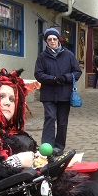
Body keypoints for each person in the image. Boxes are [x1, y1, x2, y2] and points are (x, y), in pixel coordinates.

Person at [34, 27, 82, 156]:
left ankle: (59, 147)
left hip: (64, 94)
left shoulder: (68, 55)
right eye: (49, 39)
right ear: (46, 41)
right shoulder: (42, 57)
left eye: (54, 39)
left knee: (62, 121)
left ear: (58, 40)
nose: (52, 41)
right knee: (50, 118)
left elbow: (77, 72)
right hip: (48, 94)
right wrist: (53, 79)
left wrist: (65, 77)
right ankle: (47, 146)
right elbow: (38, 74)